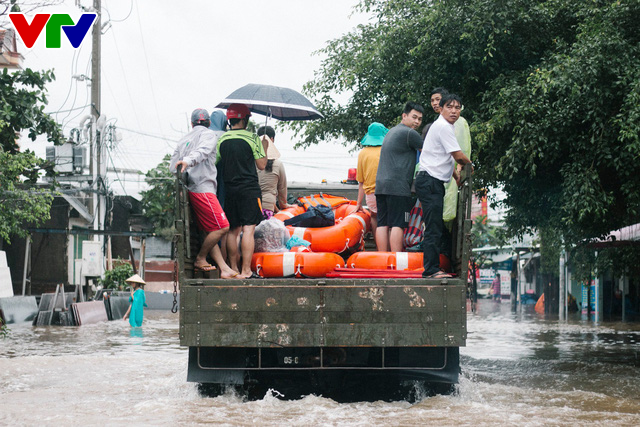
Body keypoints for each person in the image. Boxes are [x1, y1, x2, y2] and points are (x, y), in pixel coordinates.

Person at [170, 109, 238, 279]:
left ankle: (224, 268)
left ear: (192, 124)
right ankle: (200, 258)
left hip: (193, 189)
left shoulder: (183, 139)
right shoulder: (209, 135)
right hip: (203, 189)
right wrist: (188, 161)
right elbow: (203, 151)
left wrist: (185, 165)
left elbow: (172, 168)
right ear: (208, 123)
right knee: (223, 227)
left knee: (209, 231)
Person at [415, 94, 472, 279]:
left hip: (432, 181)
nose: (454, 111)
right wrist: (470, 166)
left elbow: (445, 157)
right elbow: (458, 156)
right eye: (450, 107)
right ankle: (430, 270)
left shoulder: (444, 126)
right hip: (430, 181)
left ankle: (432, 268)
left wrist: (456, 176)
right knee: (433, 228)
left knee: (435, 226)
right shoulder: (443, 127)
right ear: (441, 108)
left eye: (458, 107)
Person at [216, 103, 268, 279]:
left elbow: (216, 161)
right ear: (245, 119)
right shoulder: (253, 138)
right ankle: (246, 270)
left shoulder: (222, 140)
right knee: (248, 229)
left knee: (233, 230)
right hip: (249, 190)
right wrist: (265, 148)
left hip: (230, 190)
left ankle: (233, 269)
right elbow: (262, 165)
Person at [375, 102, 424, 252]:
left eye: (420, 119)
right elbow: (428, 152)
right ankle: (396, 260)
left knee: (382, 223)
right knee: (399, 223)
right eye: (414, 117)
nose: (417, 122)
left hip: (381, 186)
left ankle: (383, 259)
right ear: (404, 116)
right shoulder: (409, 133)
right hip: (398, 187)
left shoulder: (391, 132)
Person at [355, 122, 388, 247]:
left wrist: (358, 203)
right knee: (388, 222)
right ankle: (390, 251)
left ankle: (379, 248)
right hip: (386, 191)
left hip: (371, 194)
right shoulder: (386, 150)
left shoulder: (363, 153)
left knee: (375, 218)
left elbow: (361, 181)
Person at [257, 125, 290, 219]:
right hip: (267, 210)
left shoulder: (252, 162)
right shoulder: (278, 164)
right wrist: (284, 205)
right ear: (272, 139)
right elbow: (282, 189)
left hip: (252, 207)